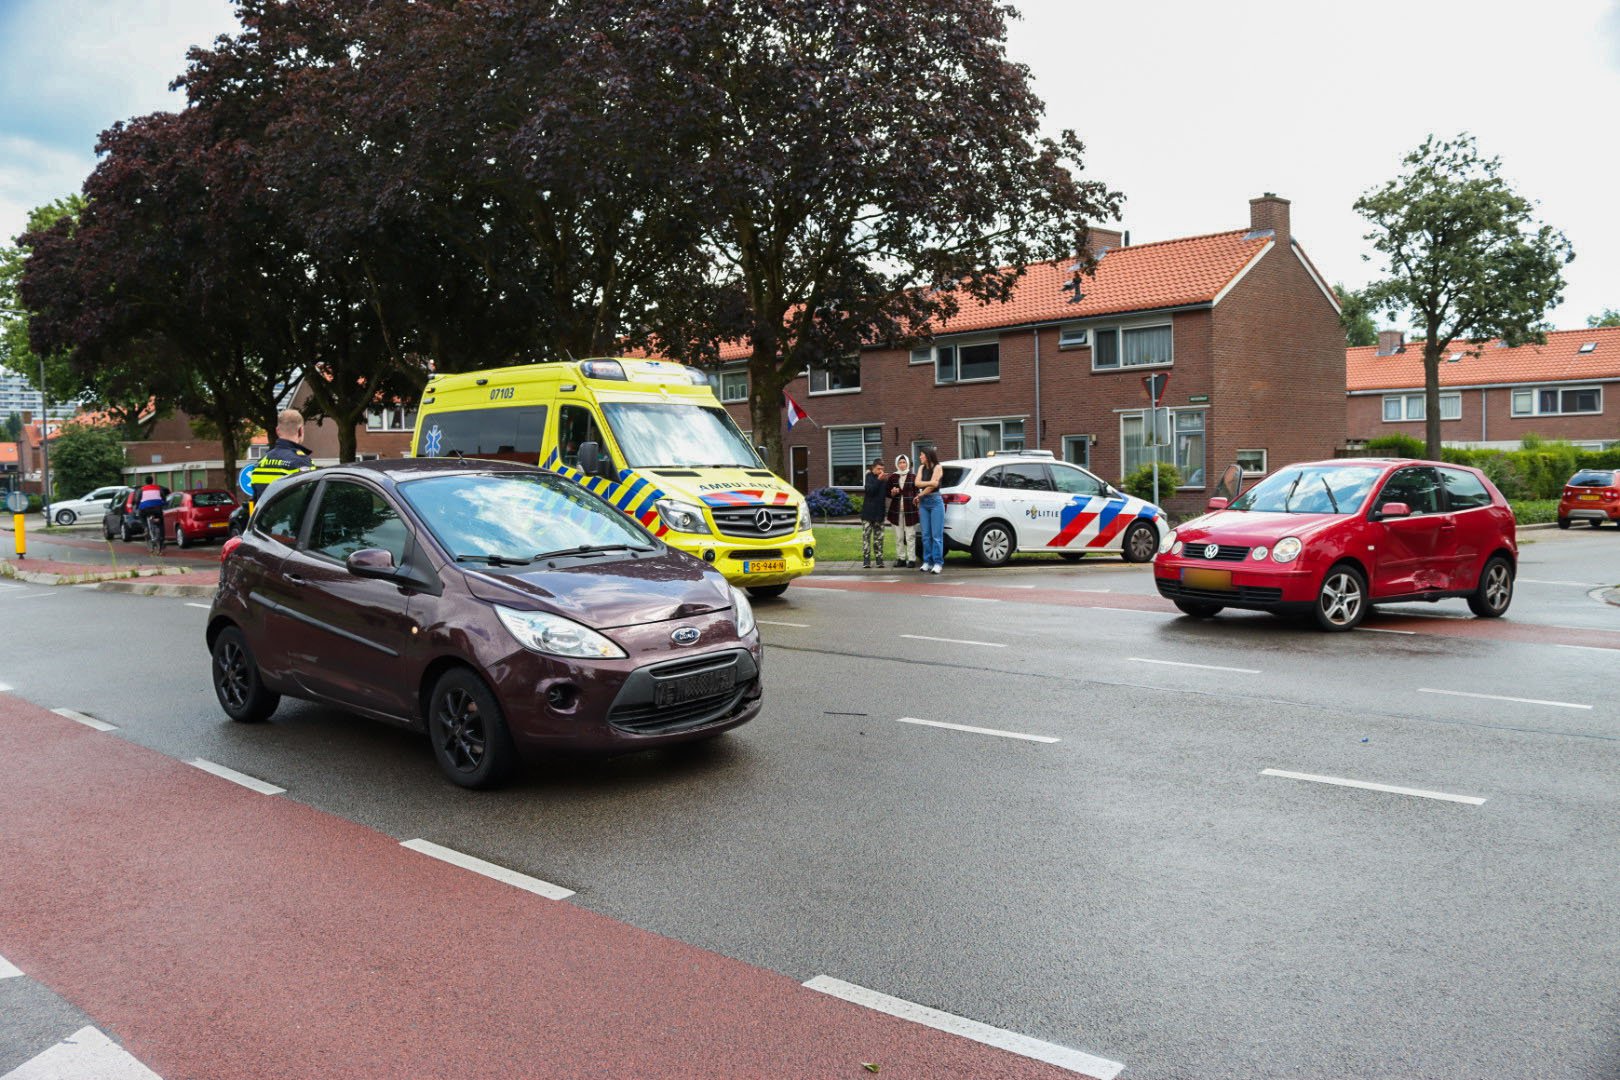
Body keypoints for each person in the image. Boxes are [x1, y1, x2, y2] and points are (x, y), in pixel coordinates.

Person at [247, 409, 317, 500]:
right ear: (300, 431)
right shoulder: (302, 462)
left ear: (277, 431)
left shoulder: (260, 463)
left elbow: (255, 499)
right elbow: (309, 499)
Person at [885, 454, 919, 567]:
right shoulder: (893, 477)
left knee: (910, 536)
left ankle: (912, 559)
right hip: (896, 511)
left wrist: (917, 499)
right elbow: (887, 493)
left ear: (907, 463)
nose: (902, 464)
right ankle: (901, 558)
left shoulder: (913, 476)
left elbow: (917, 492)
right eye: (900, 462)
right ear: (897, 464)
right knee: (899, 537)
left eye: (904, 462)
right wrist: (892, 492)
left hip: (910, 511)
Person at [915, 446, 945, 574]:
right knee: (926, 535)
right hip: (924, 504)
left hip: (935, 502)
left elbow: (933, 487)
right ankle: (927, 561)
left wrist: (920, 494)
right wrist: (931, 482)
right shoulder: (921, 468)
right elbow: (917, 483)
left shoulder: (938, 467)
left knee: (936, 536)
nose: (920, 457)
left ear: (927, 455)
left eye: (921, 454)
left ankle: (938, 563)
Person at [860, 459, 888, 568]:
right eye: (878, 469)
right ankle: (866, 560)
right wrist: (878, 480)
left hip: (879, 513)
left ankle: (879, 559)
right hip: (868, 514)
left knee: (879, 539)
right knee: (866, 537)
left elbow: (886, 493)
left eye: (882, 469)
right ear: (873, 468)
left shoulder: (884, 479)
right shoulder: (869, 477)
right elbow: (869, 491)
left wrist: (893, 492)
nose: (881, 471)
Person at [135, 474, 170, 550]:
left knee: (141, 515)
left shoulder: (142, 489)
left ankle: (146, 527)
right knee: (161, 523)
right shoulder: (158, 488)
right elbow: (163, 497)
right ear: (152, 481)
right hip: (157, 508)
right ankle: (162, 540)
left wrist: (137, 506)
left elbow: (138, 500)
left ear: (145, 482)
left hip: (145, 509)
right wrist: (164, 503)